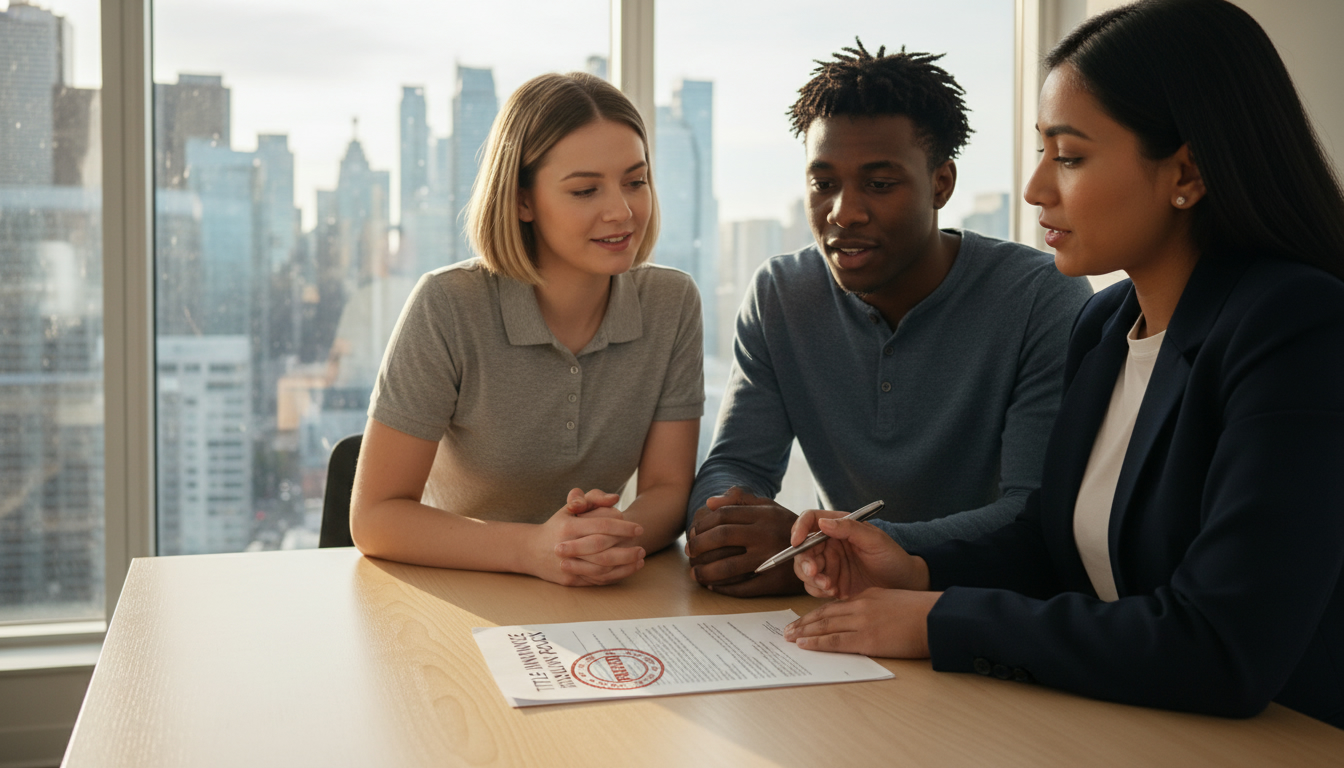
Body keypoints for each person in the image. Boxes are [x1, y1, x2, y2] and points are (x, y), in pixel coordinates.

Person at [783, 0, 1344, 727]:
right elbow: (1057, 545)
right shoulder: (1105, 326)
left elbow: (1219, 645)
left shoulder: (1297, 328)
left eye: (1070, 156)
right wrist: (916, 571)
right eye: (1041, 150)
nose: (1036, 188)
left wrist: (935, 620)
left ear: (1189, 172)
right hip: (1129, 725)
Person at [685, 42, 1093, 596]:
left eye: (879, 185)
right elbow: (735, 464)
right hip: (843, 610)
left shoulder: (1041, 296)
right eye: (823, 183)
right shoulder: (780, 294)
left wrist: (828, 547)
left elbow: (1031, 511)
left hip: (988, 610)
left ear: (941, 185)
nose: (843, 212)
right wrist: (724, 524)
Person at [349, 72, 704, 586]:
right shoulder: (447, 304)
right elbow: (375, 518)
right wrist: (534, 550)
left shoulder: (671, 302)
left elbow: (670, 489)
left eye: (635, 181)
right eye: (585, 190)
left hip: (596, 597)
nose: (622, 211)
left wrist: (600, 545)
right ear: (521, 201)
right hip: (461, 594)